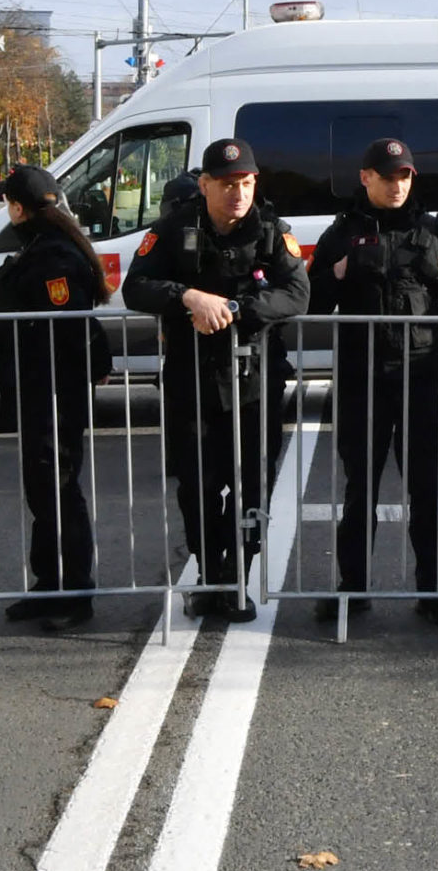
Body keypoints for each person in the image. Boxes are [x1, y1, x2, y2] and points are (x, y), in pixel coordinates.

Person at [122, 138, 309, 622]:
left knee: (250, 485)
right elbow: (135, 287)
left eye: (245, 183)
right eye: (227, 185)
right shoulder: (174, 227)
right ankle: (209, 573)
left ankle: (238, 579)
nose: (238, 193)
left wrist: (236, 309)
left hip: (254, 381)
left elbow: (297, 293)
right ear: (204, 185)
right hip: (192, 380)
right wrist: (188, 297)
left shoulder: (270, 230)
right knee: (198, 485)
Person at [310, 138, 438, 626]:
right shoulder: (341, 233)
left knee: (426, 491)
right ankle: (353, 589)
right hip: (362, 382)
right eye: (387, 176)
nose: (397, 184)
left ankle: (433, 590)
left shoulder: (432, 230)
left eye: (404, 176)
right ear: (366, 178)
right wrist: (340, 271)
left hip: (421, 381)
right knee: (360, 491)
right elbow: (311, 303)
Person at [0, 163, 110, 630]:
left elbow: (64, 329)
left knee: (60, 489)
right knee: (43, 489)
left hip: (53, 389)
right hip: (39, 387)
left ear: (18, 208)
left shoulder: (53, 257)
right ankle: (49, 583)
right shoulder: (43, 247)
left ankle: (75, 591)